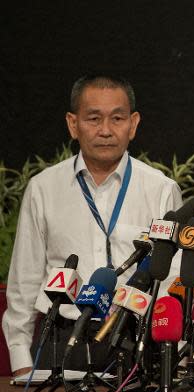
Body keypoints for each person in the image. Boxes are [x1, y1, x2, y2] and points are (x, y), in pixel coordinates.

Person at [2, 75, 182, 376]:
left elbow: (172, 279)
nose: (106, 131)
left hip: (135, 342)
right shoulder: (43, 189)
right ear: (73, 124)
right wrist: (21, 362)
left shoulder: (160, 189)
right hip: (61, 342)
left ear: (133, 124)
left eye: (117, 118)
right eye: (94, 118)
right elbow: (25, 280)